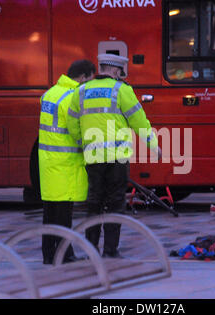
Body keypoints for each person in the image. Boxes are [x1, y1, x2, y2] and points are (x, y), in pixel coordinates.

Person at [67, 53, 161, 258]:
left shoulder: (81, 91)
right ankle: (110, 250)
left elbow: (72, 124)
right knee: (115, 203)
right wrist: (153, 145)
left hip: (93, 158)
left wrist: (82, 143)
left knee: (94, 203)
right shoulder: (122, 90)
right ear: (117, 70)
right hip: (117, 158)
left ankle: (91, 249)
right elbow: (139, 121)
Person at [38, 59, 96, 264]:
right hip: (66, 163)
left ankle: (48, 255)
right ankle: (66, 255)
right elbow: (76, 129)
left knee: (50, 212)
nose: (89, 84)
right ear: (82, 77)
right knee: (64, 214)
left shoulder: (50, 93)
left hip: (47, 162)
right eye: (89, 80)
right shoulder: (72, 97)